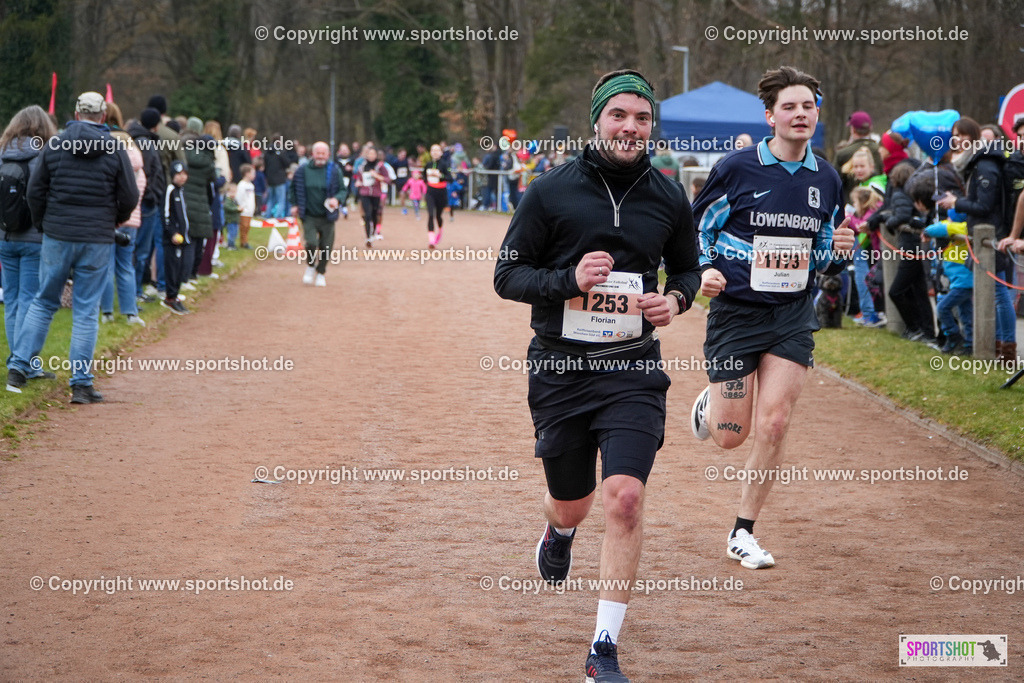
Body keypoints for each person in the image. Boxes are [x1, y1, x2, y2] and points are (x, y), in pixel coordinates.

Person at [494, 68, 700, 682]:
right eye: (620, 115)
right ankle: (558, 534)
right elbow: (508, 276)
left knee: (626, 498)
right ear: (598, 120)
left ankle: (602, 649)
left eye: (642, 117)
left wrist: (677, 301)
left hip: (633, 368)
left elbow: (688, 270)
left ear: (651, 125)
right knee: (573, 503)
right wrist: (568, 282)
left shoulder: (668, 197)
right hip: (560, 369)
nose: (631, 127)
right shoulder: (550, 191)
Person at [689, 66, 855, 571]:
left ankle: (743, 532)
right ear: (770, 116)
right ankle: (711, 401)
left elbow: (823, 251)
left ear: (817, 114)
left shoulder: (827, 178)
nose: (800, 113)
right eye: (789, 106)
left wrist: (840, 250)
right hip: (736, 313)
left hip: (791, 314)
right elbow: (696, 231)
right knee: (729, 436)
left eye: (808, 106)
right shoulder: (737, 169)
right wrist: (704, 269)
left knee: (776, 422)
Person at [6, 92, 139, 402]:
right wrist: (113, 220)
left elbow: (35, 191)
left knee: (43, 301)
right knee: (86, 310)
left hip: (57, 235)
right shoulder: (114, 148)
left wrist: (42, 224)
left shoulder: (55, 145)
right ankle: (80, 384)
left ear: (76, 113)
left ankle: (19, 368)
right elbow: (130, 196)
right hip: (95, 238)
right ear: (103, 117)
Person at [938, 116, 1015, 362]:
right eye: (954, 135)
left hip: (992, 235)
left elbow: (984, 205)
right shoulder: (976, 163)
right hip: (983, 235)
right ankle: (994, 344)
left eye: (962, 135)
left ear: (973, 136)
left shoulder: (984, 165)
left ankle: (1006, 349)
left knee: (1000, 294)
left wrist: (955, 202)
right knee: (996, 292)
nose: (957, 139)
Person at [0, 105, 58, 383]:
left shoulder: (2, 152)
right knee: (30, 300)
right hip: (35, 237)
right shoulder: (46, 154)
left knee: (10, 300)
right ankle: (25, 364)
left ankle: (17, 359)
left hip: (5, 237)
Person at [99, 102, 146, 326]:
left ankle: (107, 312)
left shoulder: (100, 144)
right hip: (130, 217)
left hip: (106, 217)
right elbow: (141, 183)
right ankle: (130, 312)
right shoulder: (131, 145)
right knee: (126, 264)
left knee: (106, 265)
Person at [289, 142, 345, 287]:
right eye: (317, 153)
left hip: (327, 216)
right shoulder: (302, 170)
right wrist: (294, 205)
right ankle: (311, 265)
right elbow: (293, 189)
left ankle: (321, 273)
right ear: (312, 154)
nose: (320, 156)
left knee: (326, 246)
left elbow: (343, 190)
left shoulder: (334, 170)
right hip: (309, 215)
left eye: (323, 153)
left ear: (328, 154)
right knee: (312, 243)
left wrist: (336, 199)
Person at [127, 108, 165, 304]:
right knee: (140, 250)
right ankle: (135, 292)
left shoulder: (135, 139)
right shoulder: (145, 143)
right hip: (146, 203)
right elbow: (149, 173)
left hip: (139, 201)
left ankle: (134, 291)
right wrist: (152, 196)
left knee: (137, 249)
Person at [924, 210, 973, 354]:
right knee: (966, 314)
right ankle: (969, 344)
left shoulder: (961, 228)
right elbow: (941, 226)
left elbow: (937, 228)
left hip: (963, 283)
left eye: (950, 218)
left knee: (942, 308)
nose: (947, 220)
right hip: (960, 283)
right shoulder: (954, 233)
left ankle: (954, 336)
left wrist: (928, 231)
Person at [162, 160, 191, 315]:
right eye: (179, 174)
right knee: (172, 268)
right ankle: (170, 297)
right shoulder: (170, 191)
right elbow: (166, 215)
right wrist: (172, 233)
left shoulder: (182, 191)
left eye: (184, 174)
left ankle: (175, 295)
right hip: (172, 239)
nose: (182, 177)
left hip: (184, 238)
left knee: (181, 268)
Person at [834, 111, 883, 198]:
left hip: (851, 204)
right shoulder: (880, 150)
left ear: (852, 129)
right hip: (878, 200)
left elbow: (834, 182)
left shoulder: (842, 154)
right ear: (870, 127)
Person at [354, 146, 391, 247]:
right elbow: (358, 178)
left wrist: (377, 176)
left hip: (376, 193)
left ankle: (373, 231)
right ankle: (368, 237)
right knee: (367, 214)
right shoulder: (362, 166)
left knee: (375, 214)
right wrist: (358, 182)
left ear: (376, 155)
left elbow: (388, 180)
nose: (371, 156)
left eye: (373, 154)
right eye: (369, 154)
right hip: (365, 193)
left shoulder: (380, 166)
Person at [423, 144, 451, 248]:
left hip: (441, 192)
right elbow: (424, 177)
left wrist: (441, 176)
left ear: (441, 152)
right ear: (430, 152)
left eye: (437, 150)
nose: (435, 152)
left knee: (438, 215)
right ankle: (431, 240)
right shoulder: (428, 164)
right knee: (431, 214)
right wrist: (425, 178)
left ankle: (440, 229)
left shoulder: (444, 164)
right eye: (433, 150)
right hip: (430, 192)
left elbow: (450, 178)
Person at [235, 163, 256, 250]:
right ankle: (244, 242)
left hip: (250, 210)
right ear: (247, 173)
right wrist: (242, 206)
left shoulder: (251, 185)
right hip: (244, 210)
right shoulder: (242, 185)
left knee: (247, 227)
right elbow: (239, 197)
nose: (254, 175)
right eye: (252, 173)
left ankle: (245, 241)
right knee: (244, 226)